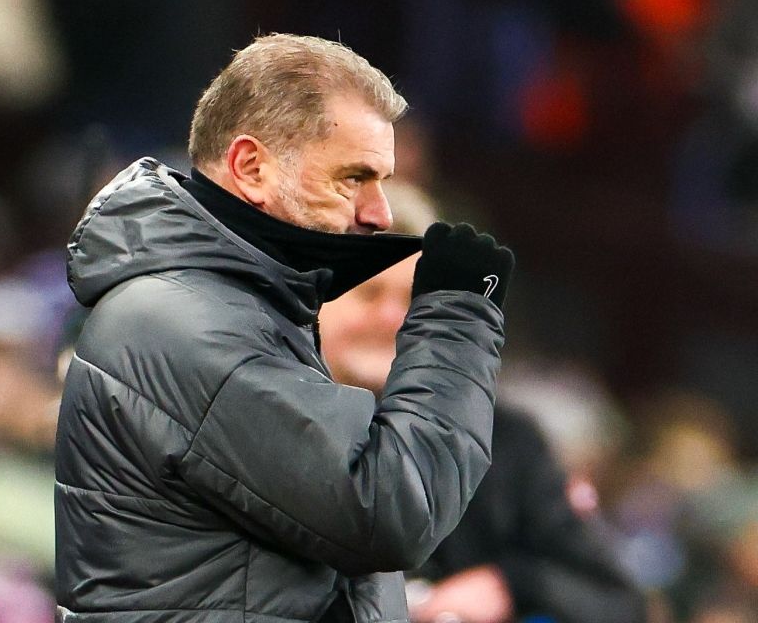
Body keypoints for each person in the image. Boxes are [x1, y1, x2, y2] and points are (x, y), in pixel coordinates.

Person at [55, 33, 515, 623]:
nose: (378, 213)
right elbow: (391, 512)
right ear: (251, 167)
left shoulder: (240, 306)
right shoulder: (185, 324)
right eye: (353, 178)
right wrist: (456, 315)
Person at [319, 190, 647, 623]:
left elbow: (616, 603)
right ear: (315, 298)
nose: (394, 319)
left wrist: (509, 586)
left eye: (413, 298)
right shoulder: (261, 420)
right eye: (369, 294)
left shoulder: (505, 441)